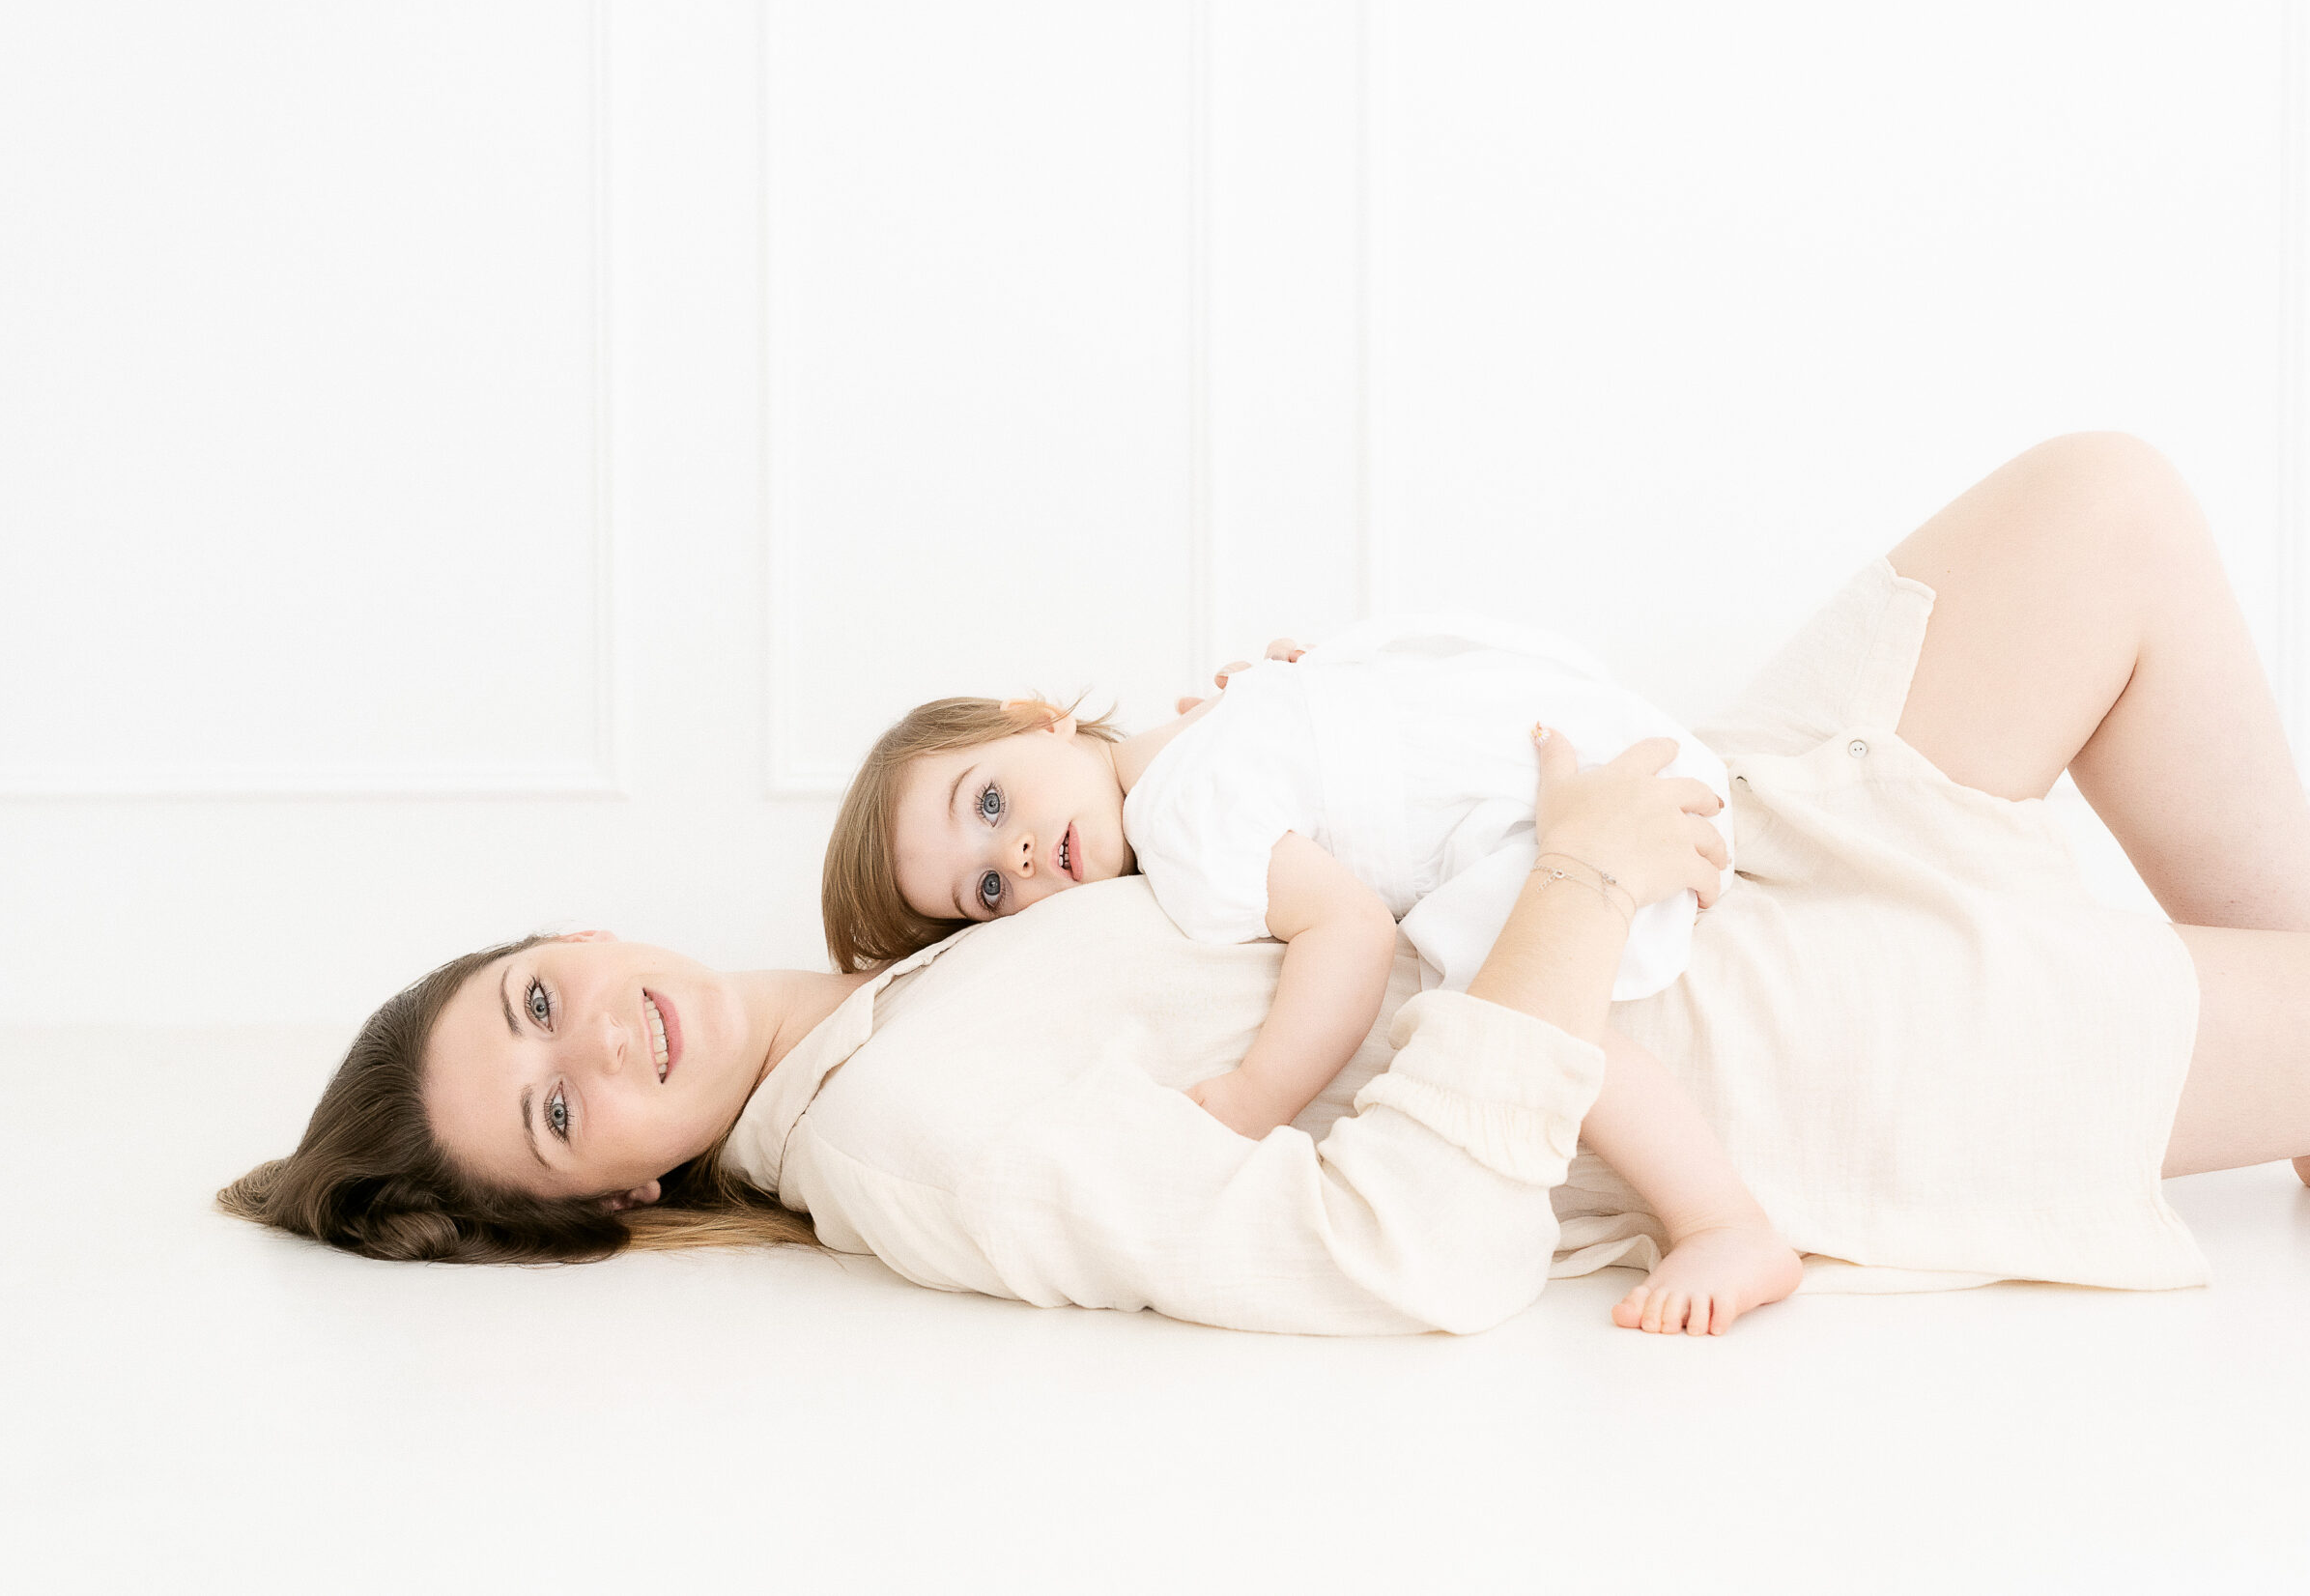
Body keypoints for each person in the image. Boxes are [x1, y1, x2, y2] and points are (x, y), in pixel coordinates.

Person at [220, 433, 2310, 1337]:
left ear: (555, 938)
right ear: (620, 1199)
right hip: (1699, 1039)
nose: (589, 1040)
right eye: (561, 1114)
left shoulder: (916, 930)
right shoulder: (907, 1140)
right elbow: (1378, 1251)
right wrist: (1567, 901)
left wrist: (1286, 740)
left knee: (2100, 509)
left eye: (529, 1007)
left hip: (1673, 815)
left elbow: (1212, 830)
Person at [815, 614, 1801, 1328]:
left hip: (1568, 808)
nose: (1018, 858)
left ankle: (1722, 1221)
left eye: (988, 804)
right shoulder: (1223, 714)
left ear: (1038, 718)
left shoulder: (1179, 823)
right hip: (1583, 723)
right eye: (986, 890)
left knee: (1519, 1018)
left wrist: (1253, 1096)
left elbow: (1353, 933)